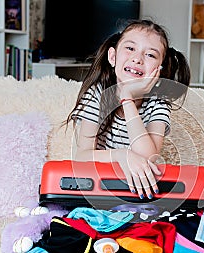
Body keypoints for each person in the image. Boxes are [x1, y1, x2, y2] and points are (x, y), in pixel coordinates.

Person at [65, 19, 191, 200]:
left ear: (160, 71)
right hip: (97, 189)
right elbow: (81, 157)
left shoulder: (158, 104)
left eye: (150, 55)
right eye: (130, 48)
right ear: (113, 57)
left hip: (138, 193)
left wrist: (127, 98)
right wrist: (121, 156)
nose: (137, 59)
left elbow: (147, 156)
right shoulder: (97, 95)